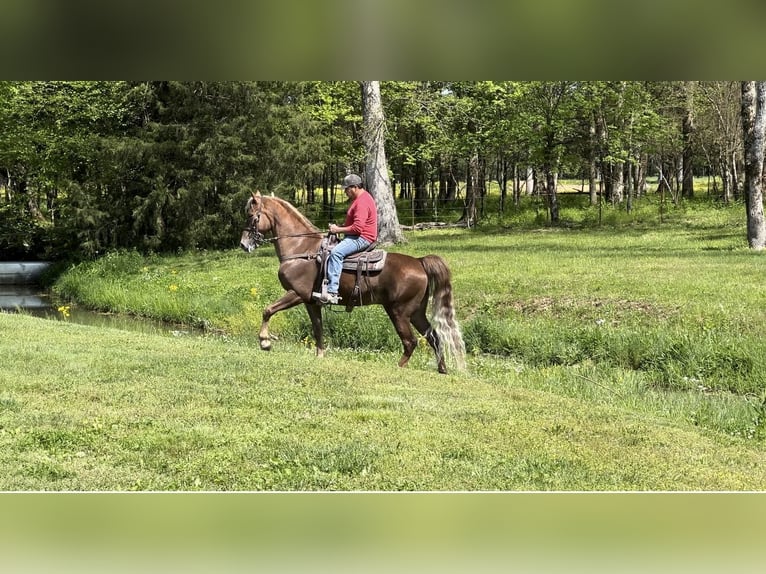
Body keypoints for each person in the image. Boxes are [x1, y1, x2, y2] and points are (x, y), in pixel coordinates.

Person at [316, 173, 378, 305]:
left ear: (355, 187)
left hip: (362, 238)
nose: (345, 192)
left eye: (346, 189)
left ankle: (332, 291)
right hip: (358, 235)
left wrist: (338, 230)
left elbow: (357, 228)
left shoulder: (361, 202)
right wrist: (339, 227)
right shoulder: (362, 198)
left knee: (336, 253)